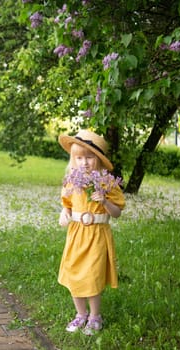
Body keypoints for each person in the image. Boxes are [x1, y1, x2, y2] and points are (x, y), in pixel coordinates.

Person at [58, 129, 125, 336]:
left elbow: (117, 213)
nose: (84, 163)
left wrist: (104, 201)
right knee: (75, 273)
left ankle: (95, 316)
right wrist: (64, 212)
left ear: (99, 160)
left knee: (93, 276)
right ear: (73, 159)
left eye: (89, 158)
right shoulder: (72, 181)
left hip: (97, 235)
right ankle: (81, 315)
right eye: (79, 158)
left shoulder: (107, 183)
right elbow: (67, 203)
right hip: (77, 234)